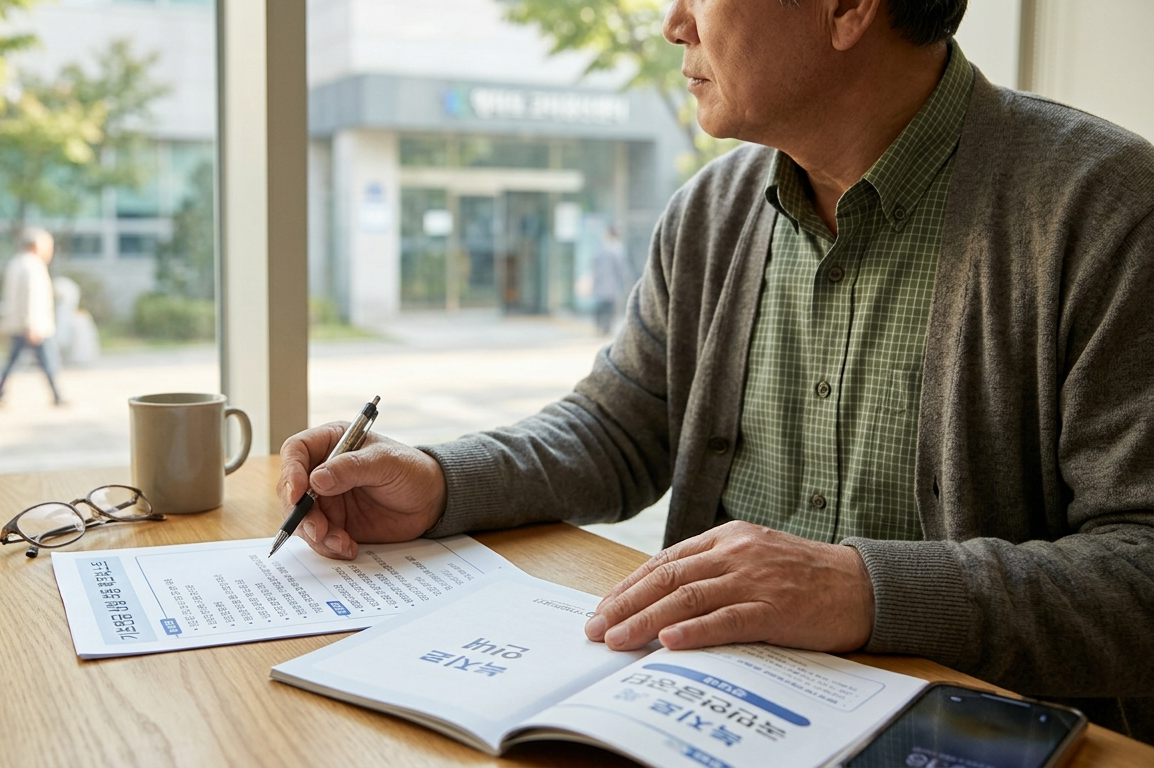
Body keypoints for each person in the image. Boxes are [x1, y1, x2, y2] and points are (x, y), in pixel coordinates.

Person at [278, 0, 1154, 743]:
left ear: (849, 6)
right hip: (706, 717)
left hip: (965, 737)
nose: (673, 23)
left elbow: (1141, 570)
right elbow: (619, 430)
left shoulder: (1107, 212)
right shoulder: (713, 209)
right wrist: (436, 480)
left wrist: (866, 591)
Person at [0, 227, 65, 406]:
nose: (50, 251)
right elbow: (31, 297)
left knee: (13, 360)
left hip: (20, 322)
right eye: (48, 247)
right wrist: (32, 325)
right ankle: (56, 395)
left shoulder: (17, 262)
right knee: (48, 361)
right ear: (36, 246)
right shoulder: (32, 266)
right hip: (34, 325)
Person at [591, 226, 632, 336]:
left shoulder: (602, 247)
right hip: (612, 283)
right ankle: (606, 328)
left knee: (601, 306)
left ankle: (600, 327)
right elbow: (621, 268)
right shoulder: (618, 248)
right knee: (609, 306)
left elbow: (594, 265)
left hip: (603, 282)